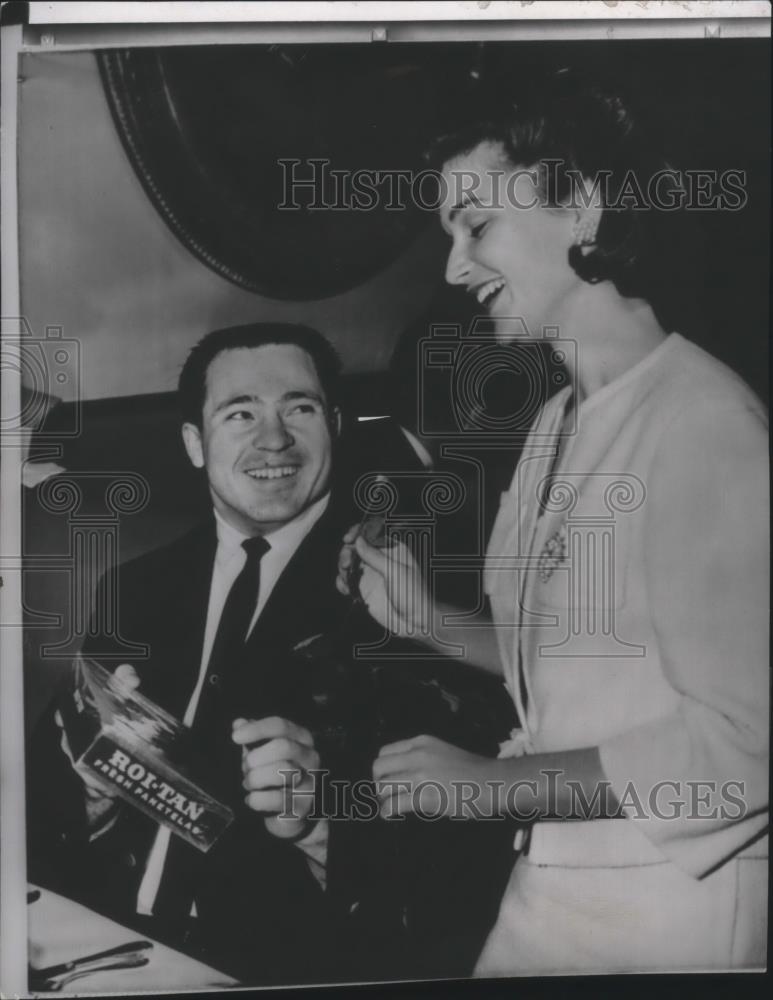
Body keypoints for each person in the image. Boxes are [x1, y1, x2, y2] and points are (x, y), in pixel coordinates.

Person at [338, 70, 768, 974]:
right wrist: (424, 621)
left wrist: (490, 788)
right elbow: (588, 657)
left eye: (476, 224)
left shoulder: (704, 426)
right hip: (551, 875)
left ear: (582, 207)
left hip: (666, 906)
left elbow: (744, 748)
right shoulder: (553, 423)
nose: (453, 267)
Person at [27, 321, 516, 984]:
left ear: (336, 426)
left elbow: (459, 861)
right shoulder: (136, 587)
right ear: (195, 445)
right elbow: (44, 814)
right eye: (240, 414)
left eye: (300, 408)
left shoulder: (408, 598)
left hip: (279, 968)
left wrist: (318, 823)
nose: (274, 439)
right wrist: (89, 786)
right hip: (95, 942)